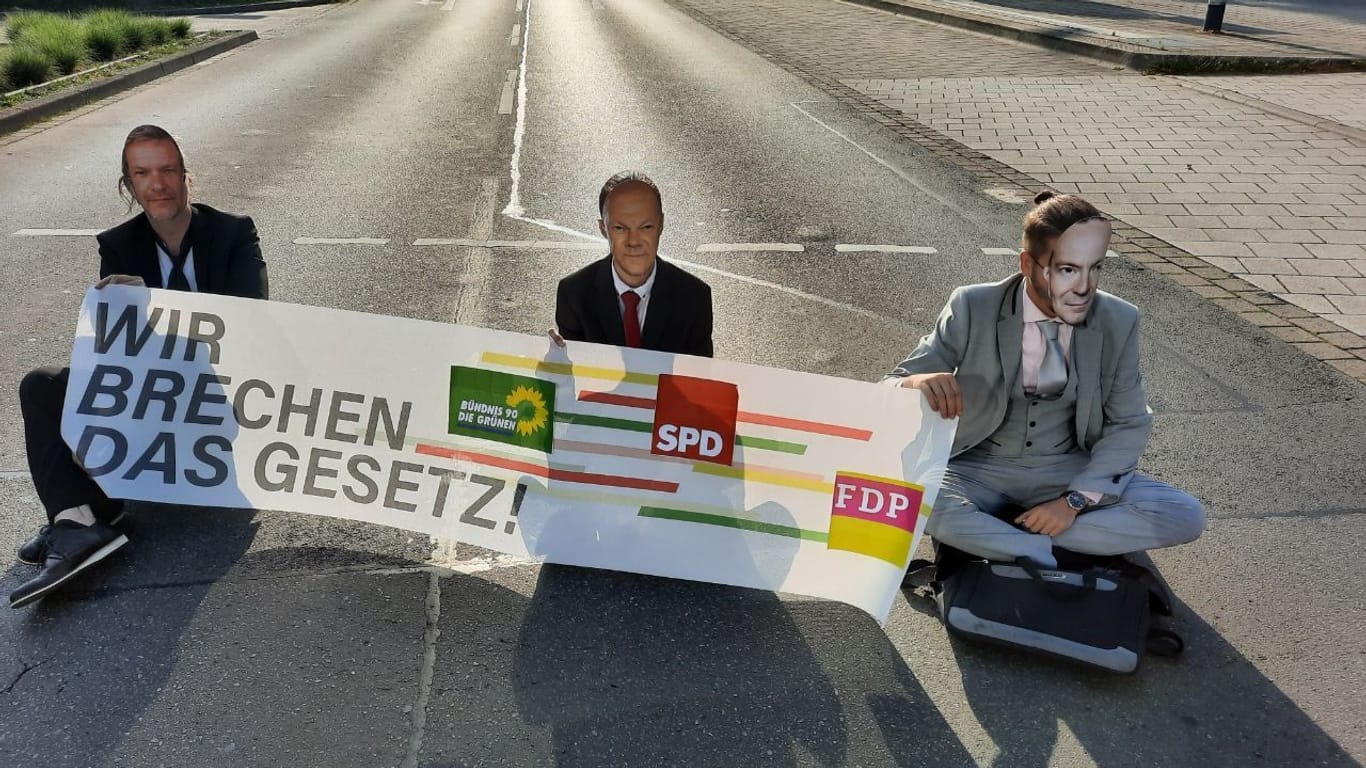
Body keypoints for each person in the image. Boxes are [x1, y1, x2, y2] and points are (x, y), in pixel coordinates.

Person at [10, 124, 269, 609]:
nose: (158, 184)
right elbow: (119, 352)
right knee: (41, 386)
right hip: (154, 395)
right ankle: (76, 520)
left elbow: (248, 318)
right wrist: (113, 312)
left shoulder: (234, 231)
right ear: (129, 185)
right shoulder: (118, 244)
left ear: (185, 175)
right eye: (143, 173)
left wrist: (153, 307)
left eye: (167, 170)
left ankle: (83, 513)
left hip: (218, 399)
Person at [884, 191, 1204, 569]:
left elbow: (1129, 421)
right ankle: (1040, 549)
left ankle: (997, 539)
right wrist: (917, 383)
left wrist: (1074, 502)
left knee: (1184, 514)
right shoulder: (973, 305)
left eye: (1094, 268)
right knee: (908, 501)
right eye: (1067, 269)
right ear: (1026, 264)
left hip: (1066, 467)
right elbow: (892, 382)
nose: (1084, 287)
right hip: (977, 466)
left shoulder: (1118, 319)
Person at [551, 171, 713, 357]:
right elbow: (576, 375)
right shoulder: (574, 294)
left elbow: (699, 380)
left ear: (661, 225)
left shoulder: (694, 297)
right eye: (620, 228)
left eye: (646, 227)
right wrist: (558, 365)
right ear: (603, 228)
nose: (634, 241)